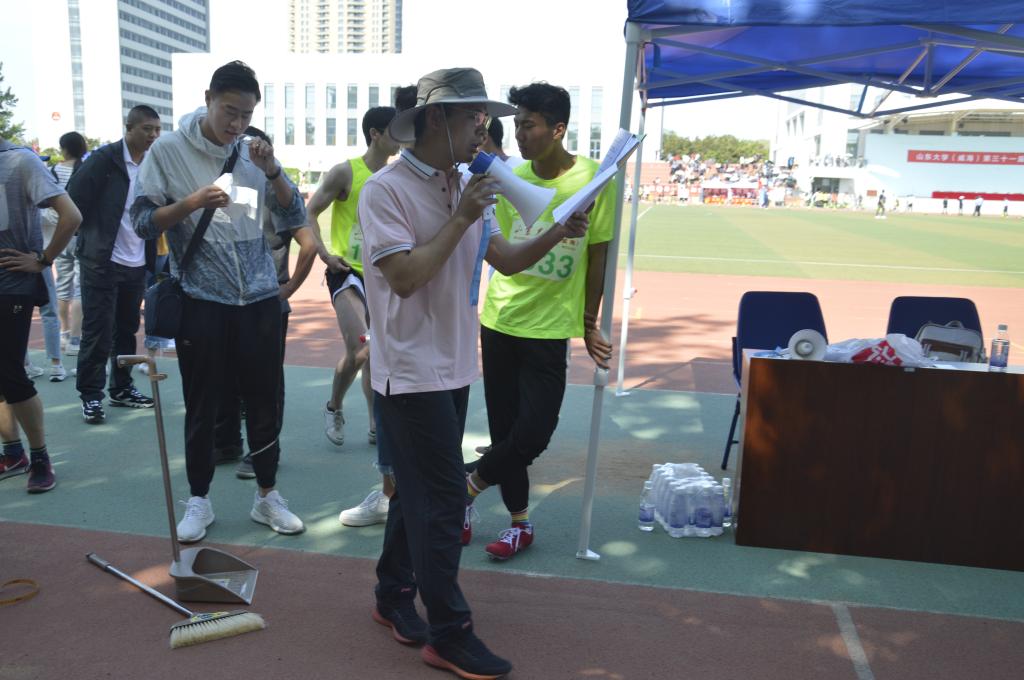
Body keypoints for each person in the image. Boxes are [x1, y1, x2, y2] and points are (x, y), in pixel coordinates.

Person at [361, 67, 587, 679]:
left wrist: (558, 229)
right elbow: (404, 279)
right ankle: (449, 632)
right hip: (409, 372)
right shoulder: (386, 191)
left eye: (485, 120)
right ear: (437, 119)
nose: (483, 132)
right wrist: (460, 218)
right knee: (440, 500)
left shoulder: (464, 184)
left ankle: (391, 593)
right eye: (474, 118)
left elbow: (506, 260)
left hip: (455, 367)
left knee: (419, 489)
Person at [132, 61, 309, 543]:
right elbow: (141, 222)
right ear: (208, 98)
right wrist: (190, 203)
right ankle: (199, 500)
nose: (237, 123)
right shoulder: (168, 150)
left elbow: (293, 215)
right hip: (202, 300)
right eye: (230, 111)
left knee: (265, 401)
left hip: (259, 301)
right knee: (203, 404)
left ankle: (268, 496)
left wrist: (273, 170)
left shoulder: (251, 152)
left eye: (247, 114)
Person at [466, 82, 614, 562]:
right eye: (517, 125)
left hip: (550, 328)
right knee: (505, 431)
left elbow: (599, 254)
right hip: (501, 319)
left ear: (557, 129)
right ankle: (519, 524)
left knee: (533, 433)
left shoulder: (595, 179)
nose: (519, 135)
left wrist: (589, 322)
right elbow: (498, 246)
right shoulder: (510, 176)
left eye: (528, 125)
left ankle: (465, 488)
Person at [213, 125, 317, 480]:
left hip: (264, 303)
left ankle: (262, 451)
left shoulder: (275, 190)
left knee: (264, 381)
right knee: (223, 374)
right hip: (223, 298)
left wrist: (286, 291)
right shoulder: (220, 187)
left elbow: (308, 243)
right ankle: (225, 441)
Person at [336, 84, 417, 528]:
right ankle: (388, 492)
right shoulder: (376, 182)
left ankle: (454, 494)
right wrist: (324, 255)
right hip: (367, 291)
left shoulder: (458, 181)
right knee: (374, 365)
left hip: (438, 329)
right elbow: (308, 211)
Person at [306, 106, 400, 449]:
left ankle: (376, 424)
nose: (401, 139)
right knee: (362, 348)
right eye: (394, 131)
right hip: (348, 274)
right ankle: (334, 406)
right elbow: (310, 212)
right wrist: (324, 254)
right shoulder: (346, 171)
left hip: (383, 275)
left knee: (377, 353)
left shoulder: (397, 175)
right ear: (375, 134)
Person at [67, 105, 162, 424]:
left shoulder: (153, 163)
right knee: (97, 331)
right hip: (101, 260)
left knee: (126, 329)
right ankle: (91, 396)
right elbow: (72, 200)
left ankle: (121, 389)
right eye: (147, 129)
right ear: (129, 128)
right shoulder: (103, 160)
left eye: (157, 130)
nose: (153, 135)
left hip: (137, 261)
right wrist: (92, 238)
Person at [0, 137, 82, 492]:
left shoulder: (21, 161)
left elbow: (72, 216)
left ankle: (39, 458)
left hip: (11, 286)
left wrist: (43, 259)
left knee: (11, 374)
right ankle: (12, 452)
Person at [52, 132, 87, 358]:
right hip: (81, 233)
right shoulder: (86, 169)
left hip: (59, 234)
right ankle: (76, 338)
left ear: (63, 148)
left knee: (62, 286)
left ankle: (63, 335)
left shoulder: (53, 171)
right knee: (80, 288)